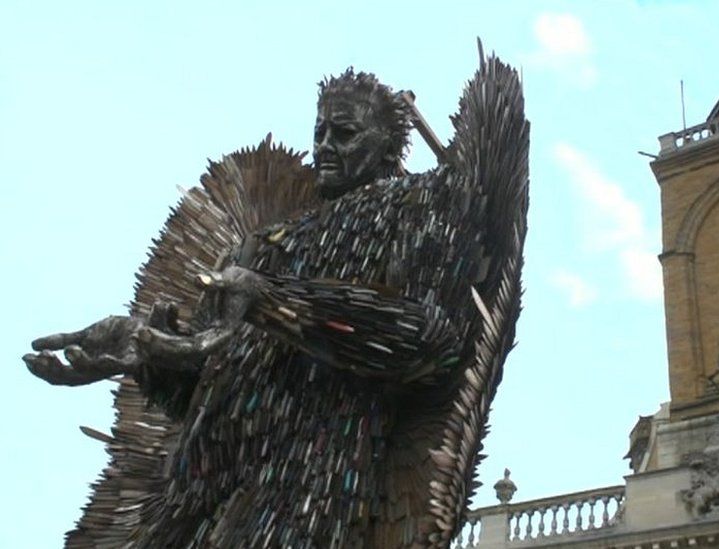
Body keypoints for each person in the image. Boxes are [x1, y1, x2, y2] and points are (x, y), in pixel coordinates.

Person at [24, 46, 528, 548]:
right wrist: (146, 350)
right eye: (320, 132)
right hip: (195, 492)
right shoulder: (263, 244)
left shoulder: (411, 209)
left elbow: (427, 340)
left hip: (305, 488)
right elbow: (201, 379)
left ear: (388, 144)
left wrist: (276, 302)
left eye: (345, 133)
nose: (326, 145)